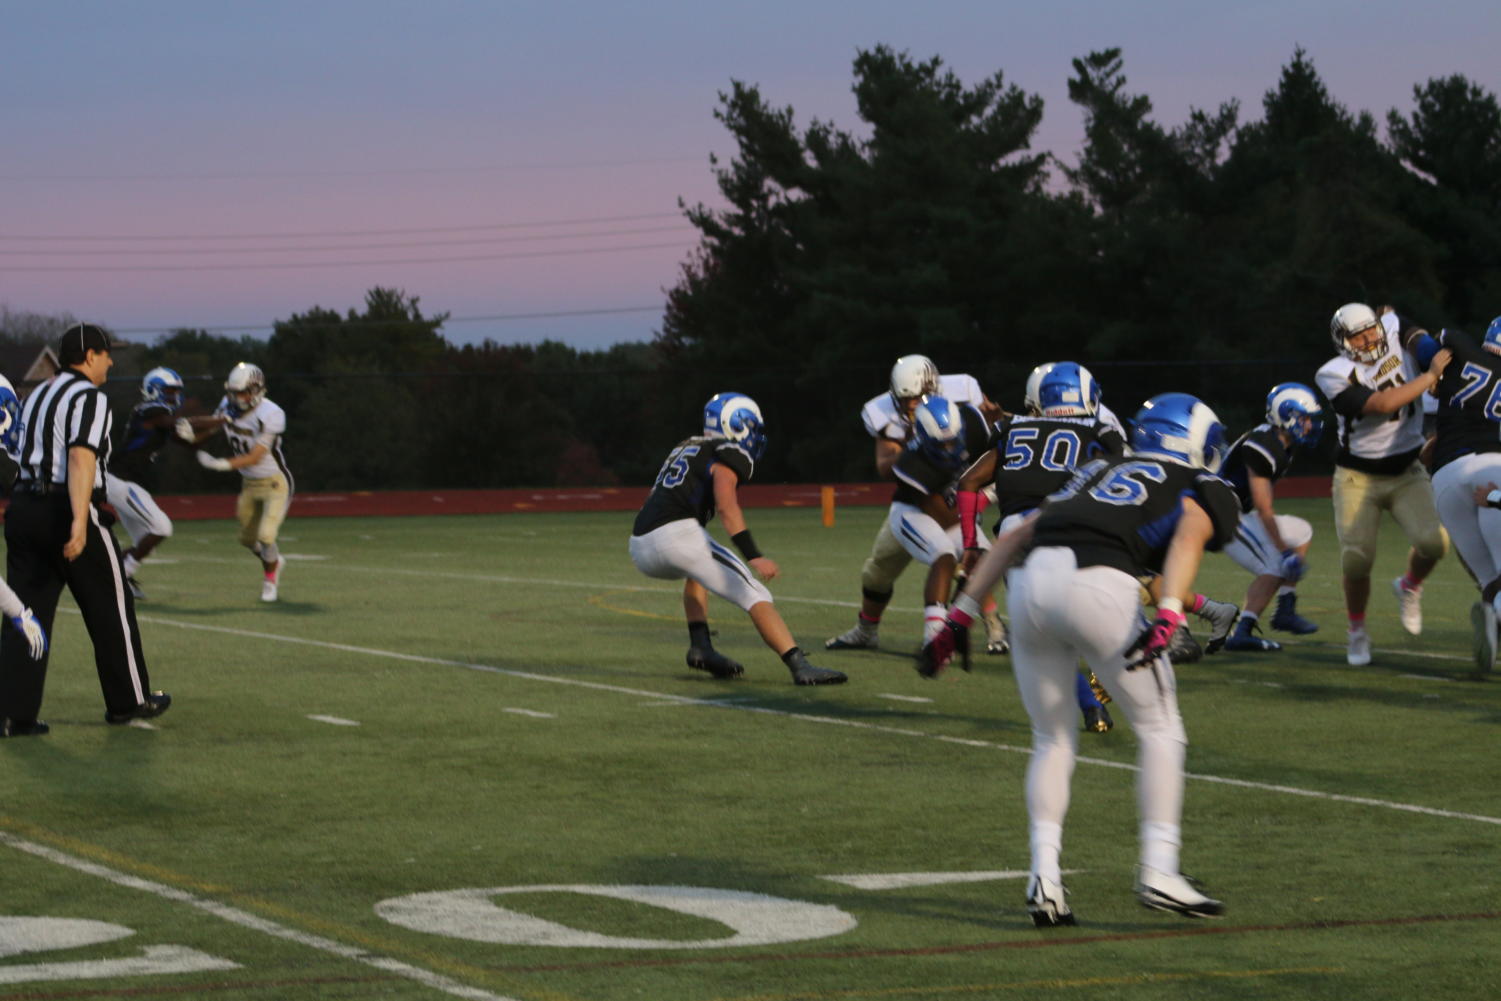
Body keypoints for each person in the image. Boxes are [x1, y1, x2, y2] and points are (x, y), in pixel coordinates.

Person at [920, 393, 1239, 925]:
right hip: (1100, 586)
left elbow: (1017, 534)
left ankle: (1044, 877)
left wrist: (960, 617)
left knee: (1052, 738)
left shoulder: (1094, 469)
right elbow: (1187, 535)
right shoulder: (1199, 482)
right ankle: (1160, 867)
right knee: (1162, 728)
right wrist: (1169, 615)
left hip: (1031, 585)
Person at [0, 324, 170, 736]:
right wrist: (79, 522)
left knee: (26, 614)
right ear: (91, 355)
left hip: (23, 506)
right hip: (66, 506)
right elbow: (80, 459)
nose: (111, 361)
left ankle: (12, 713)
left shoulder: (38, 393)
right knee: (111, 608)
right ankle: (129, 701)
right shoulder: (89, 397)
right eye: (107, 353)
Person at [629, 392, 846, 686]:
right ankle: (799, 664)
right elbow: (727, 507)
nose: (755, 435)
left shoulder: (686, 445)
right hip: (676, 536)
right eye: (752, 427)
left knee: (697, 572)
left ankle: (701, 646)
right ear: (737, 425)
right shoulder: (730, 453)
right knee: (754, 593)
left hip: (640, 543)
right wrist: (753, 554)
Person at [957, 361, 1126, 731]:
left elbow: (968, 483)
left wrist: (970, 542)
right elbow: (1121, 482)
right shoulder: (1099, 428)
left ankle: (1092, 707)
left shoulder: (1011, 427)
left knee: (1039, 631)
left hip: (1017, 534)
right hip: (1074, 528)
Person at [827, 355, 1007, 653]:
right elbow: (887, 466)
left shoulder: (966, 403)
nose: (912, 405)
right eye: (905, 399)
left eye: (918, 398)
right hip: (918, 503)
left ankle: (994, 626)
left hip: (957, 495)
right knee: (878, 571)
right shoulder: (905, 454)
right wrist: (919, 446)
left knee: (975, 557)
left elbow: (997, 432)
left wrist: (997, 424)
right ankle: (866, 630)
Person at [1315, 303, 1451, 666]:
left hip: (1407, 468)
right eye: (1357, 335)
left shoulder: (1390, 325)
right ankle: (1356, 629)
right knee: (1357, 560)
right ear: (1341, 341)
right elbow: (1382, 402)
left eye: (1371, 329)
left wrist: (1431, 354)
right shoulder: (1333, 374)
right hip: (1357, 477)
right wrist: (1430, 376)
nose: (1368, 338)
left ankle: (1409, 586)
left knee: (1435, 543)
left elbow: (1417, 340)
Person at [1417, 316, 1501, 677]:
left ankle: (1494, 622)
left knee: (1489, 579)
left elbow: (1419, 342)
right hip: (1493, 474)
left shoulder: (1461, 350)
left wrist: (1432, 371)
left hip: (1446, 480)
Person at [1218, 383, 1325, 652]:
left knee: (1301, 531)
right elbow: (1265, 508)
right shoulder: (1264, 445)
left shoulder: (1280, 442)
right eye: (1304, 419)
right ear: (1286, 416)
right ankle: (1242, 632)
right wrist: (1284, 551)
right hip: (1221, 514)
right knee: (1277, 563)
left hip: (1238, 512)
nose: (1310, 426)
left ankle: (1285, 609)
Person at [178, 362, 292, 602]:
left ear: (257, 390)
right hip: (249, 483)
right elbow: (216, 427)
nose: (236, 397)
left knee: (266, 536)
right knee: (246, 540)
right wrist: (194, 436)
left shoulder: (272, 413)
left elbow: (256, 456)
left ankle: (270, 579)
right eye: (233, 392)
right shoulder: (228, 405)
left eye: (242, 392)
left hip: (275, 482)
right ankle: (273, 560)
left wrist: (223, 464)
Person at [886, 395, 992, 649]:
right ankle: (933, 638)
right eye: (941, 444)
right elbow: (943, 517)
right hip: (915, 513)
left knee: (986, 559)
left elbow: (997, 452)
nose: (949, 449)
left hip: (956, 508)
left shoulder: (974, 425)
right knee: (943, 555)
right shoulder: (910, 465)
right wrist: (983, 495)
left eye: (953, 441)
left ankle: (955, 624)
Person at [105, 367, 188, 600]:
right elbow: (173, 423)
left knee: (145, 540)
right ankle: (122, 574)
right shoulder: (150, 409)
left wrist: (215, 428)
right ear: (154, 390)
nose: (174, 396)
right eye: (169, 391)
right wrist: (219, 418)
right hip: (120, 480)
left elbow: (185, 439)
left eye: (175, 392)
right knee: (162, 527)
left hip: (128, 482)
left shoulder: (162, 416)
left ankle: (115, 577)